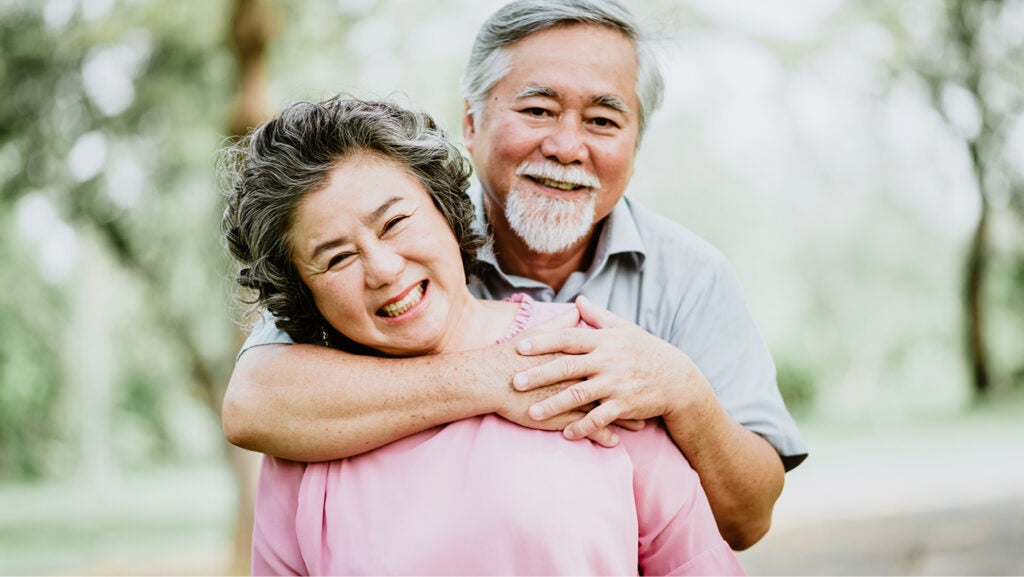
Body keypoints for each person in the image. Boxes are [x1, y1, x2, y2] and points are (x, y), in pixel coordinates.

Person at [223, 0, 808, 550]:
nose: (566, 146)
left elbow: (746, 520)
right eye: (537, 110)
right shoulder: (406, 253)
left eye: (603, 121)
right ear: (471, 123)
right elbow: (254, 405)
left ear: (635, 144)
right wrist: (495, 376)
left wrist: (680, 387)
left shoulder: (693, 276)